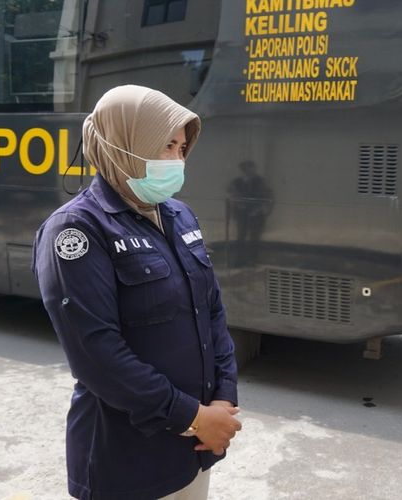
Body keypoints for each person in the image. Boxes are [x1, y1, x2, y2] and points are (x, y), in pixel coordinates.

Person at [33, 85, 241, 500]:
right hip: (126, 463)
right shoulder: (77, 230)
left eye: (182, 148)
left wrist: (223, 402)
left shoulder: (180, 215)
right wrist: (194, 417)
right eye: (166, 145)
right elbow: (97, 354)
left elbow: (212, 312)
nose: (177, 160)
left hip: (194, 451)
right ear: (124, 144)